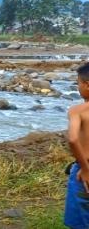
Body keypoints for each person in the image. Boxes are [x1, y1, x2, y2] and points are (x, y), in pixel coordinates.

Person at [64, 63, 89, 228]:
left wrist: (85, 169)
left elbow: (73, 139)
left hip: (84, 172)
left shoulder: (77, 110)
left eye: (78, 83)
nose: (78, 86)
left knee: (81, 220)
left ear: (87, 85)